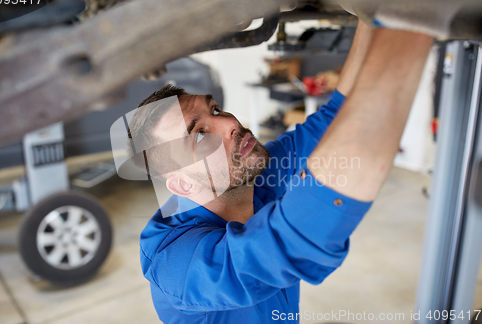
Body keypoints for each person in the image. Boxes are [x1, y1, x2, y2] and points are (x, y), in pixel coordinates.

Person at [132, 16, 434, 323]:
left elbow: (333, 118)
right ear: (182, 185)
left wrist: (371, 13)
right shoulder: (174, 264)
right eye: (199, 135)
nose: (231, 123)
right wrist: (410, 16)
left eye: (215, 109)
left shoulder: (250, 176)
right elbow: (294, 241)